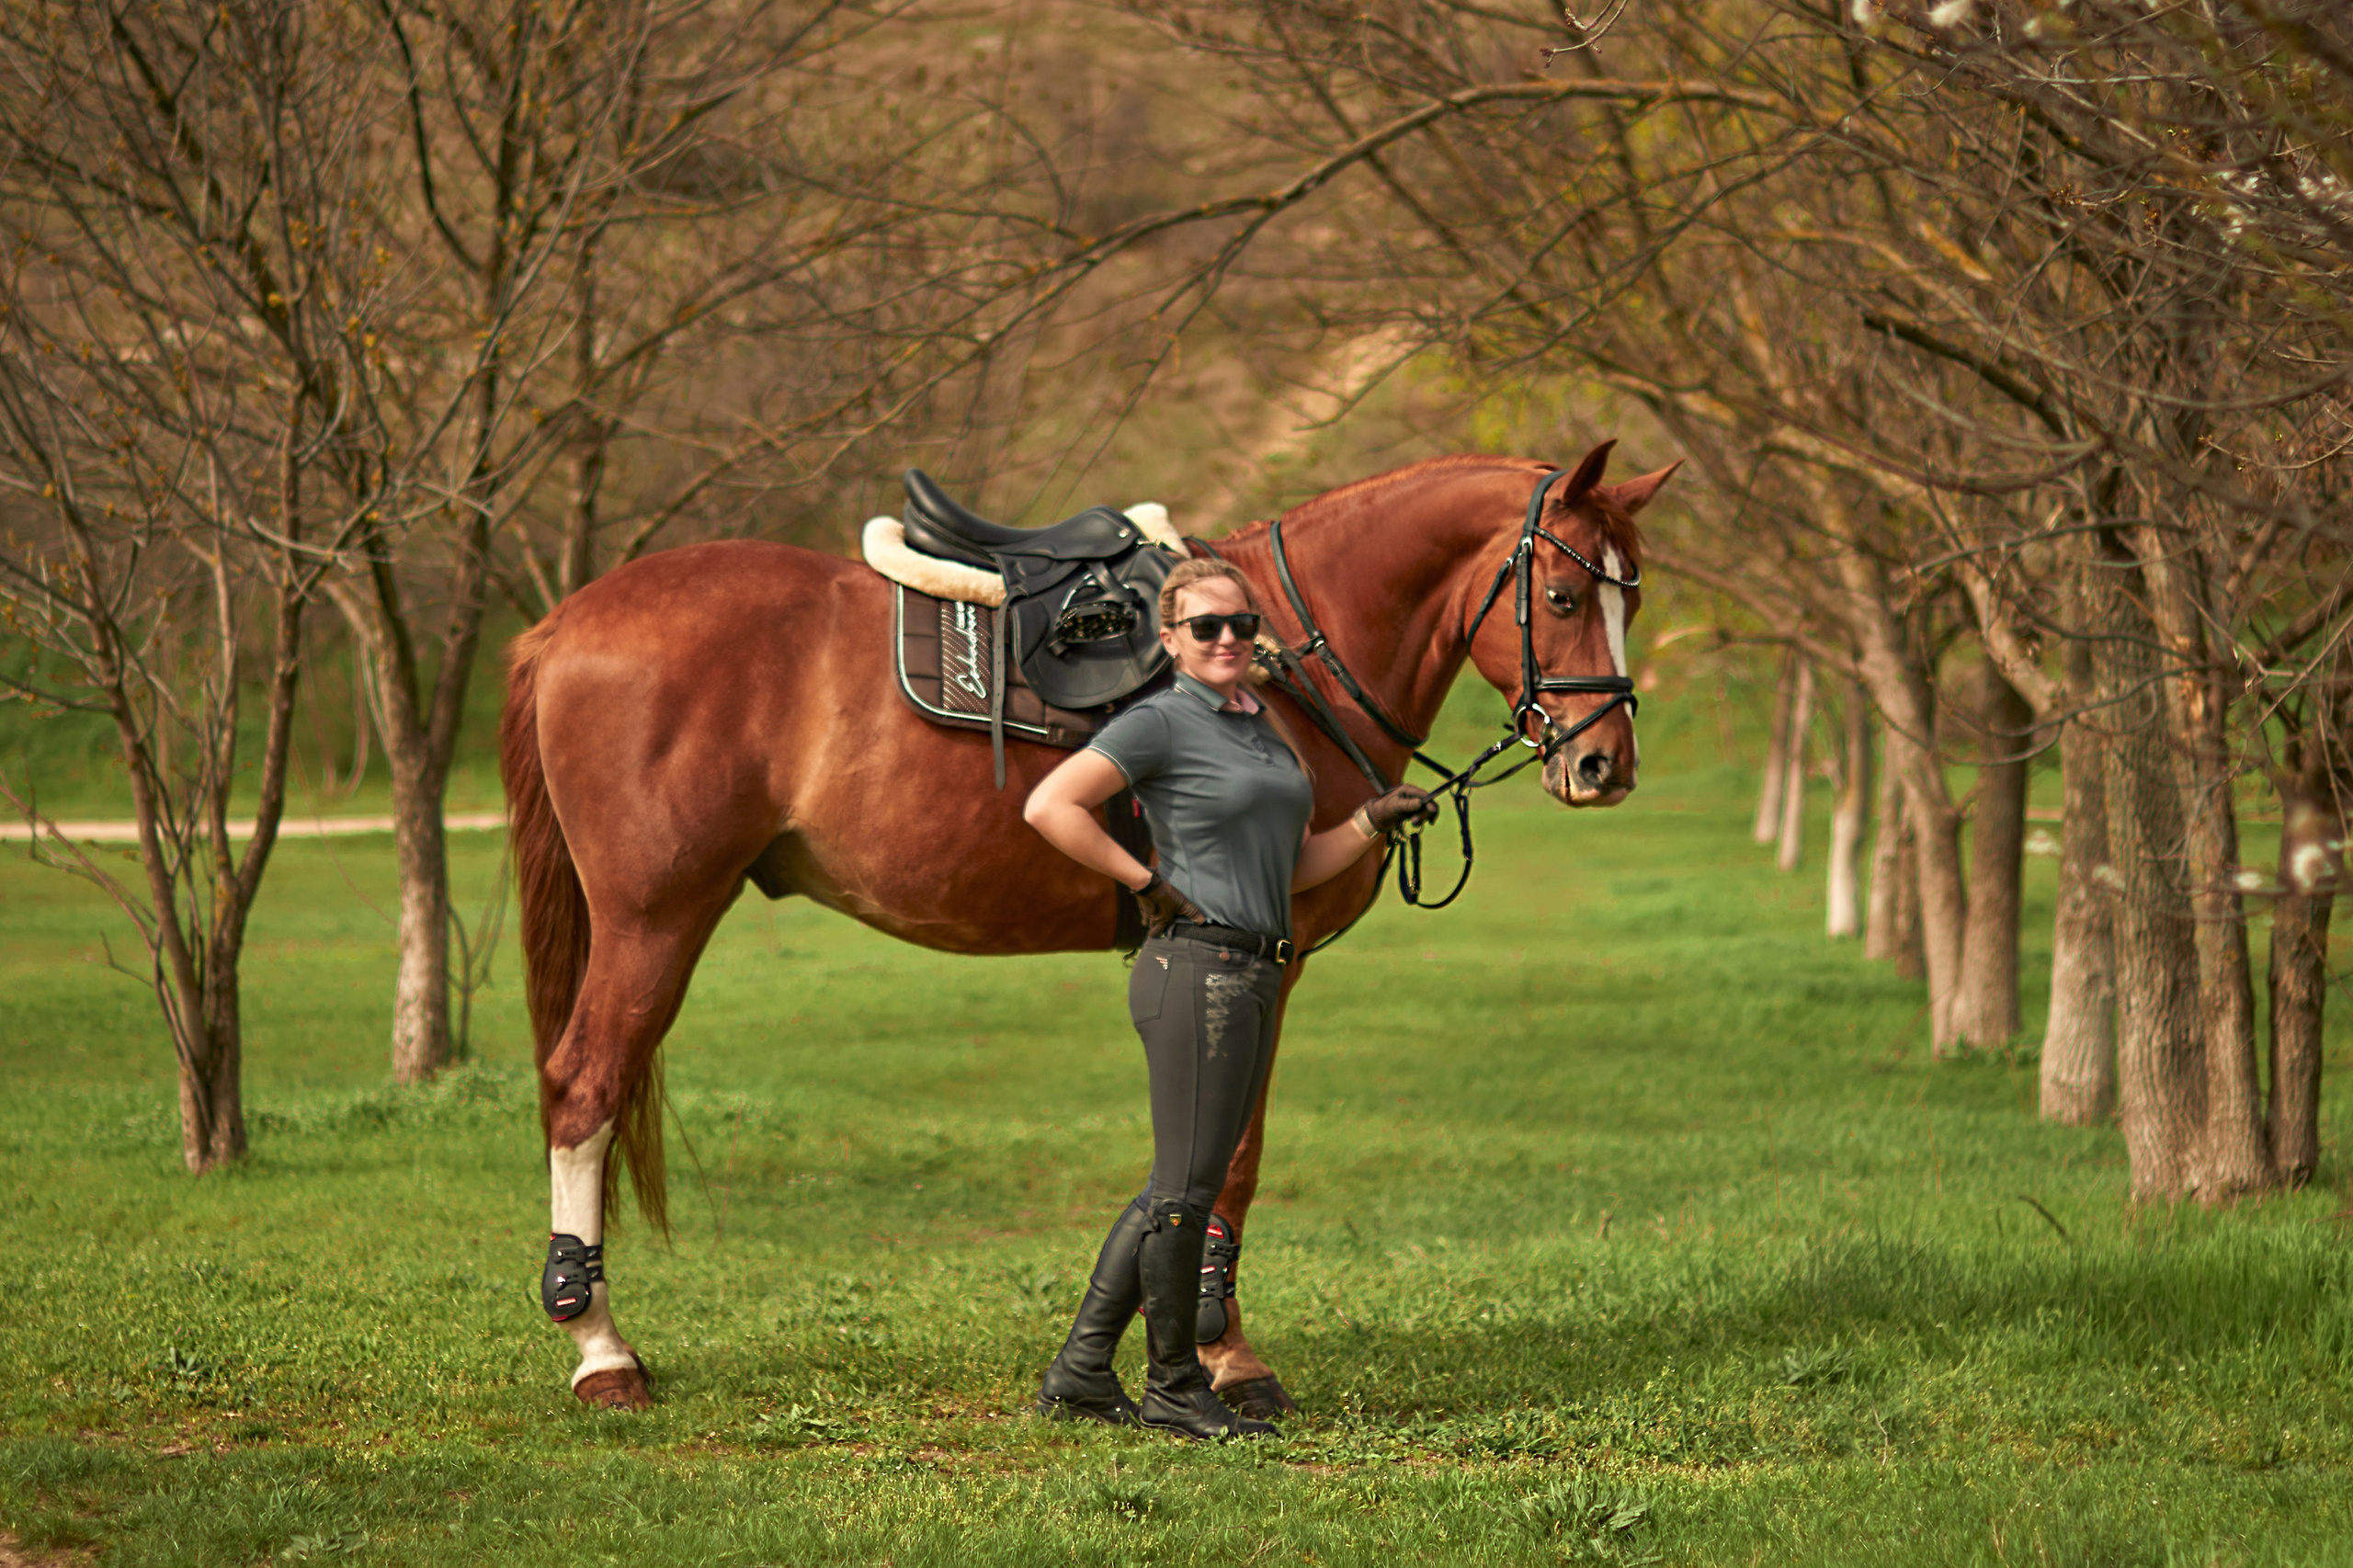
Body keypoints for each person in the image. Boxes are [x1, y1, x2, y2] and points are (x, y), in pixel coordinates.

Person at [1021, 556, 1438, 1439]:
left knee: (1178, 1186)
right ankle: (1174, 1387)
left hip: (1253, 969)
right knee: (1184, 1193)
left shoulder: (1261, 726)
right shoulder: (1160, 721)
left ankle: (1081, 1373)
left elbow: (1293, 868)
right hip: (1195, 972)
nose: (1226, 639)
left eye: (1241, 625)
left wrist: (1371, 821)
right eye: (1205, 626)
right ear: (1171, 639)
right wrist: (1144, 881)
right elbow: (1051, 806)